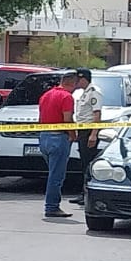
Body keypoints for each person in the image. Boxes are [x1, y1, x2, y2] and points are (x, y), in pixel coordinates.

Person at [37, 73, 76, 219]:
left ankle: (52, 205)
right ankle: (52, 207)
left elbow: (40, 117)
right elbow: (67, 119)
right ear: (71, 83)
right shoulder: (67, 97)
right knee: (56, 175)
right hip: (58, 138)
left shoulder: (46, 95)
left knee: (52, 173)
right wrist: (73, 134)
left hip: (44, 136)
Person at [69, 66, 101, 205]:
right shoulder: (84, 93)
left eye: (78, 79)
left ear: (84, 79)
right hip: (82, 131)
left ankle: (87, 194)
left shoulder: (94, 92)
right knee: (83, 163)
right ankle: (83, 193)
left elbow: (97, 114)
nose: (76, 82)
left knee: (88, 164)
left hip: (89, 131)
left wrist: (93, 134)